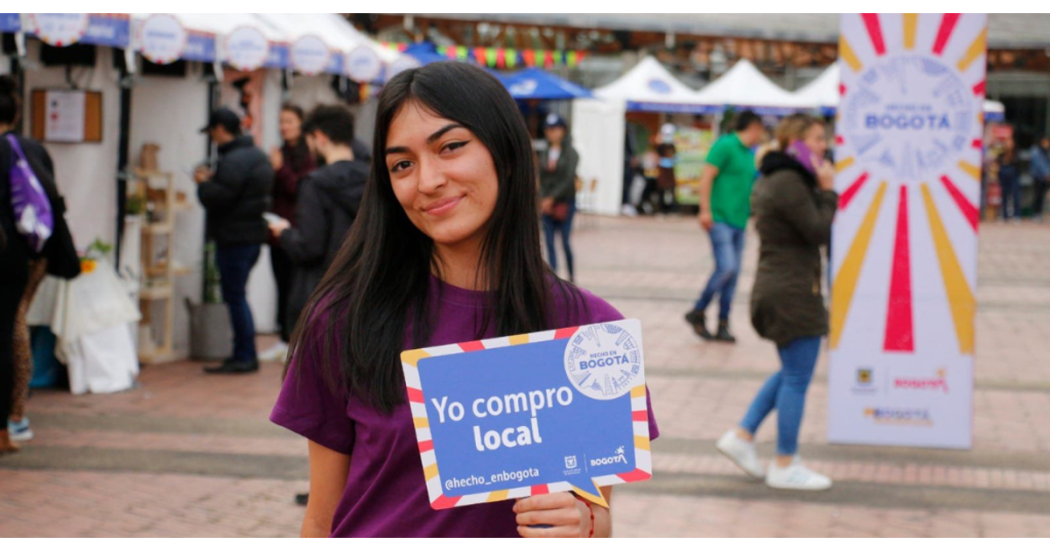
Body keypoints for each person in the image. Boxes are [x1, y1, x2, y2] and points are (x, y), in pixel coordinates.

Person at [270, 62, 659, 538]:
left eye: (450, 147)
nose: (428, 180)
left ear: (506, 151)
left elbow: (598, 517)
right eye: (402, 165)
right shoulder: (343, 319)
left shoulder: (591, 336)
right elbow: (321, 518)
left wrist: (585, 524)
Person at [715, 114, 837, 491]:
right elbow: (817, 229)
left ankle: (743, 435)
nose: (823, 146)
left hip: (780, 286)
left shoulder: (777, 176)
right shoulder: (788, 181)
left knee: (790, 371)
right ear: (795, 142)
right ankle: (786, 461)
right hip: (792, 291)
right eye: (817, 139)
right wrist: (829, 190)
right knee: (797, 377)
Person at [269, 105, 368, 350]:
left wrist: (284, 233)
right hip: (365, 288)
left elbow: (309, 246)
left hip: (323, 292)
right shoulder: (374, 179)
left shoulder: (315, 184)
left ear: (320, 138)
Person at [196, 107, 274, 375]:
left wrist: (203, 184)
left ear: (219, 129)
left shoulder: (233, 160)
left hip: (233, 237)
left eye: (212, 132)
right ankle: (243, 353)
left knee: (236, 297)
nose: (213, 139)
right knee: (239, 295)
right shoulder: (257, 156)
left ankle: (244, 355)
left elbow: (218, 198)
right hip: (252, 236)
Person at [685, 111, 764, 343]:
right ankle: (698, 310)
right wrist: (704, 210)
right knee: (726, 268)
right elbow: (706, 176)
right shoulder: (725, 145)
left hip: (739, 221)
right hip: (719, 218)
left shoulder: (750, 154)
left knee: (734, 275)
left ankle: (723, 323)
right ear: (754, 127)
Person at [263, 104, 316, 362]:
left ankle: (295, 342)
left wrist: (280, 168)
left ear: (301, 123)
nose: (284, 127)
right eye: (281, 121)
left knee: (297, 289)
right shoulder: (281, 152)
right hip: (276, 233)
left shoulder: (308, 155)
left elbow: (300, 189)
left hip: (298, 232)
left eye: (290, 121)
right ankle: (284, 339)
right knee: (282, 287)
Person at [539, 113, 580, 283]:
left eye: (555, 129)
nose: (552, 133)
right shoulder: (545, 152)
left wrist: (552, 198)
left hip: (565, 202)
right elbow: (540, 176)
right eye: (549, 129)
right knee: (548, 242)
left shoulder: (571, 153)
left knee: (564, 240)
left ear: (563, 130)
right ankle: (552, 278)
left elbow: (568, 178)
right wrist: (542, 199)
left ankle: (571, 276)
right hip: (546, 204)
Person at [654, 124, 678, 214]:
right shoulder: (660, 146)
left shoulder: (672, 146)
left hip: (670, 170)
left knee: (671, 190)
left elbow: (675, 156)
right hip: (662, 171)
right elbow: (657, 157)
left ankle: (671, 209)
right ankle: (661, 210)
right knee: (661, 190)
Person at [998, 138, 1022, 223]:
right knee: (1004, 196)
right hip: (1004, 177)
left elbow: (1017, 164)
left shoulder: (1015, 154)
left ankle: (1017, 215)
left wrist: (1010, 155)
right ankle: (1004, 215)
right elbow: (998, 163)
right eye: (1006, 143)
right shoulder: (1001, 154)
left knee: (1016, 196)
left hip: (1014, 177)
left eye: (1010, 143)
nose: (1008, 145)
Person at [1028, 136, 1050, 222]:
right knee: (1037, 196)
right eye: (1044, 142)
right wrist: (1046, 173)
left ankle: (1039, 213)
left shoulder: (1047, 152)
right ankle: (1035, 213)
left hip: (1046, 178)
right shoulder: (1036, 151)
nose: (1046, 144)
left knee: (1042, 197)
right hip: (1038, 177)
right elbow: (1038, 164)